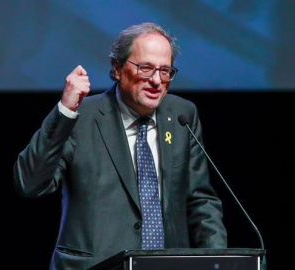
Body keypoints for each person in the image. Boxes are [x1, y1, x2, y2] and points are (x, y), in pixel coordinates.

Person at [13, 22, 227, 270]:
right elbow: (29, 184)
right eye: (146, 68)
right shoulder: (81, 117)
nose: (157, 81)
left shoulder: (182, 115)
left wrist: (218, 260)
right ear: (117, 68)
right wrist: (65, 111)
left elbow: (200, 200)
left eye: (165, 71)